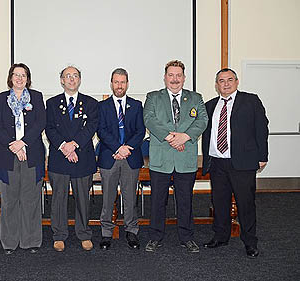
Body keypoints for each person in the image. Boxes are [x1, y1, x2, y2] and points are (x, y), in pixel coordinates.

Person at [201, 68, 269, 258]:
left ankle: (250, 242)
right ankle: (221, 236)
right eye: (221, 81)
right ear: (216, 85)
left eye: (230, 79)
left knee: (245, 204)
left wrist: (262, 155)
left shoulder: (251, 100)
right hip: (217, 162)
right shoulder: (210, 105)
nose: (226, 84)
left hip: (243, 163)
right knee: (219, 202)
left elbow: (261, 128)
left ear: (237, 82)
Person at [143, 60, 208, 253]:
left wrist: (185, 137)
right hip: (161, 158)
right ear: (165, 77)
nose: (174, 79)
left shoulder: (195, 98)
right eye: (171, 75)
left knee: (185, 200)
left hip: (185, 158)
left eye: (178, 75)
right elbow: (149, 119)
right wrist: (172, 138)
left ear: (184, 78)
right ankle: (155, 237)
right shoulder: (153, 97)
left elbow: (202, 120)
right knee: (157, 200)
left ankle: (187, 237)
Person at [0, 63, 46, 254]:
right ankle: (9, 242)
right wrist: (14, 145)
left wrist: (22, 143)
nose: (19, 78)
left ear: (27, 78)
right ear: (10, 77)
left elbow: (41, 123)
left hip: (32, 154)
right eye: (16, 75)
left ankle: (31, 241)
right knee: (9, 199)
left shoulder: (37, 97)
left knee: (31, 199)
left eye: (23, 75)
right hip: (7, 155)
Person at [45, 66, 98, 252]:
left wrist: (73, 145)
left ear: (80, 79)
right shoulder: (51, 103)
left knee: (82, 198)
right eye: (68, 76)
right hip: (59, 158)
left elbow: (91, 127)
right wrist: (64, 147)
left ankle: (84, 234)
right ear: (61, 80)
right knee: (58, 199)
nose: (71, 79)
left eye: (75, 76)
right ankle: (59, 235)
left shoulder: (91, 103)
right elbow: (50, 128)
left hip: (82, 157)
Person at [97, 68, 145, 250]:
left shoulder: (137, 105)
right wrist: (118, 148)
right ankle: (106, 233)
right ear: (111, 84)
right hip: (110, 157)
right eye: (116, 82)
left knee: (130, 196)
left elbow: (140, 131)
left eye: (122, 82)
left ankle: (131, 231)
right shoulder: (102, 106)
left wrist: (126, 149)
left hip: (130, 157)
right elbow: (101, 131)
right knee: (108, 198)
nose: (119, 85)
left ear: (127, 83)